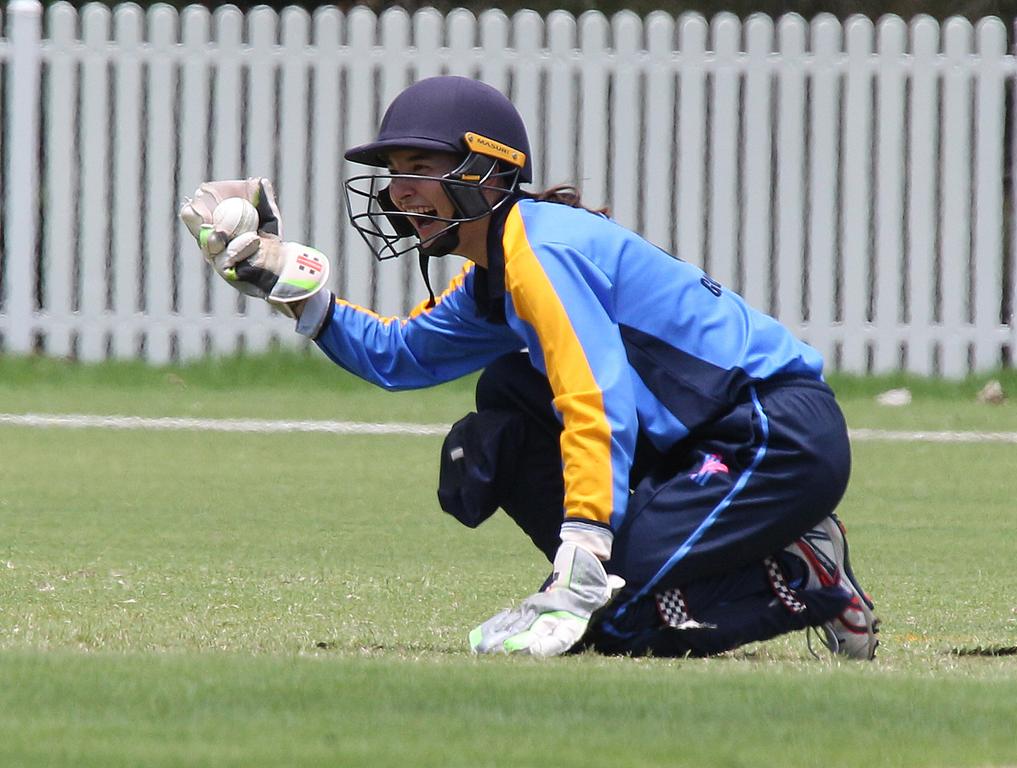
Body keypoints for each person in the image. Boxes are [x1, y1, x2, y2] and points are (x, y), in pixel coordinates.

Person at [180, 75, 879, 660]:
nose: (398, 192)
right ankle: (690, 563)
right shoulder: (497, 272)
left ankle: (804, 570)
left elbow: (594, 396)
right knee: (505, 399)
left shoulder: (542, 250)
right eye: (395, 174)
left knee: (620, 620)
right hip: (707, 441)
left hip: (771, 436)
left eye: (421, 170)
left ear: (488, 172)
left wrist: (583, 547)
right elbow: (402, 356)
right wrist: (284, 279)